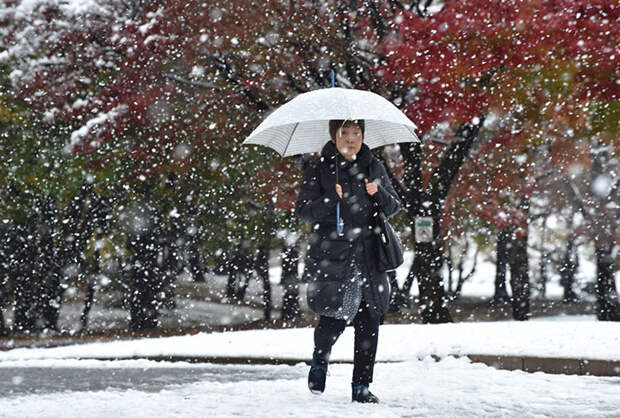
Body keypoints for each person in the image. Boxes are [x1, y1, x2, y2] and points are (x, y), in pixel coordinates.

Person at [296, 119, 401, 403]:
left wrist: (377, 193)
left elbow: (394, 206)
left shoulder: (374, 166)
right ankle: (320, 359)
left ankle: (361, 387)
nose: (351, 139)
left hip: (369, 258)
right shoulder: (319, 169)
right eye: (345, 133)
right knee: (332, 319)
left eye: (357, 133)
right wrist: (331, 199)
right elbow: (304, 212)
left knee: (370, 323)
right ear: (334, 136)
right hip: (333, 257)